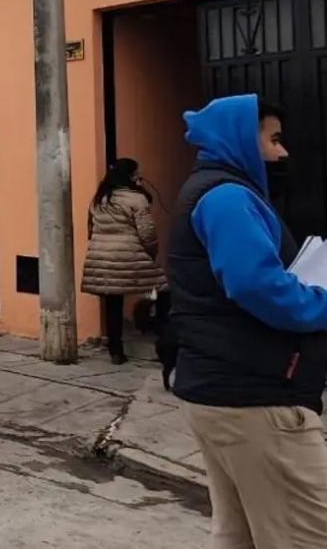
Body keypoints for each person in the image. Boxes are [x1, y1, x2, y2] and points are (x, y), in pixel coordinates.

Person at [168, 94, 327, 547]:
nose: (283, 152)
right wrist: (321, 301)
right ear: (242, 138)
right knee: (306, 536)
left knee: (238, 534)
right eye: (274, 139)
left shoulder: (211, 191)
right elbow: (256, 286)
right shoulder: (227, 198)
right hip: (255, 397)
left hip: (222, 390)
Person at [80, 158, 168, 365]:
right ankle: (159, 333)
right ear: (131, 176)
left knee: (113, 302)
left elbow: (90, 229)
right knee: (161, 289)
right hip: (130, 255)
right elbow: (147, 233)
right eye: (137, 174)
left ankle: (116, 350)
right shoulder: (137, 199)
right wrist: (151, 253)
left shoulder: (99, 198)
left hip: (101, 257)